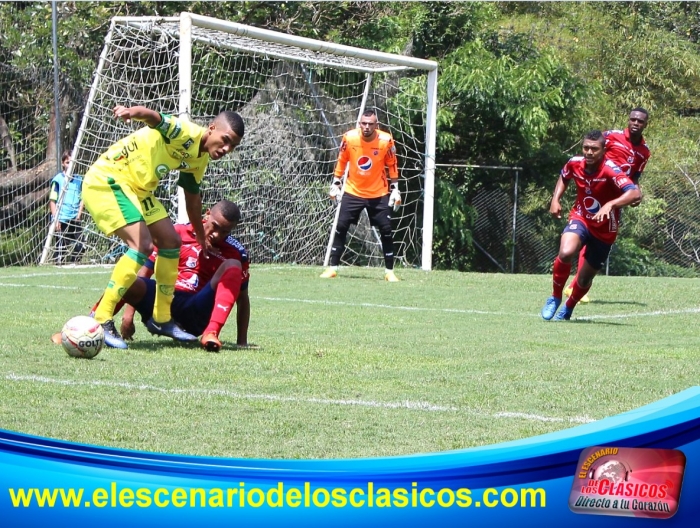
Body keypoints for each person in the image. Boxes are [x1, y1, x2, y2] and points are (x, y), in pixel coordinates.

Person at [81, 105, 244, 349]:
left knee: (171, 242)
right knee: (143, 245)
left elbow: (193, 201)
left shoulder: (199, 160)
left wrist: (200, 237)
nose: (226, 149)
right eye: (225, 140)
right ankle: (102, 318)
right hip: (110, 178)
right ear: (212, 128)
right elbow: (154, 117)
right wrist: (130, 112)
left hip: (138, 190)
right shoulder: (185, 132)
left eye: (233, 146)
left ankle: (161, 317)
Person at [52, 200, 252, 351]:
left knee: (232, 265)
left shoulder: (235, 252)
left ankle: (211, 333)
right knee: (125, 278)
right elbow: (143, 274)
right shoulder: (176, 234)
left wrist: (241, 342)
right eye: (215, 226)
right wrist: (128, 317)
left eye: (225, 232)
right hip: (163, 302)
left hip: (196, 310)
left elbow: (242, 300)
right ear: (207, 214)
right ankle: (84, 330)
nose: (217, 234)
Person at [541, 130, 641, 321]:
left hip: (605, 229)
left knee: (585, 278)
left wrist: (611, 204)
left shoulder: (611, 169)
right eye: (586, 147)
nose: (589, 152)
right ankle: (555, 297)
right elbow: (564, 175)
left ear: (603, 150)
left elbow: (634, 194)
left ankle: (568, 308)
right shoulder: (574, 163)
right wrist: (555, 199)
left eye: (594, 149)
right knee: (566, 252)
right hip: (581, 217)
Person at [564, 108, 651, 302]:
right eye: (633, 119)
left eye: (640, 121)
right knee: (589, 230)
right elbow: (592, 147)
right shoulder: (612, 136)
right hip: (598, 190)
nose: (636, 123)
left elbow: (635, 176)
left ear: (646, 124)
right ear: (628, 120)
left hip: (618, 195)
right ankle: (573, 286)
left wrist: (636, 192)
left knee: (600, 235)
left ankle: (577, 284)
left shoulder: (644, 152)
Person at [320, 109, 402, 282]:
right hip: (353, 191)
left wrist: (395, 188)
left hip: (378, 192)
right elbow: (342, 160)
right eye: (363, 123)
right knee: (341, 226)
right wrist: (336, 182)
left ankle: (389, 271)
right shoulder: (349, 138)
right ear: (359, 124)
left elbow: (392, 164)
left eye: (370, 124)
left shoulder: (386, 140)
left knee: (386, 229)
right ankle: (333, 268)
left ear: (376, 125)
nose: (366, 127)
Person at [48, 150, 84, 264]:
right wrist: (55, 218)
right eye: (68, 162)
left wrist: (79, 214)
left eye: (72, 162)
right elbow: (52, 200)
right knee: (61, 250)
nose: (70, 165)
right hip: (61, 219)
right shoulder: (58, 179)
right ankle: (58, 266)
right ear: (63, 163)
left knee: (81, 245)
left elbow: (83, 197)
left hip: (74, 218)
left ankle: (73, 264)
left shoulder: (79, 179)